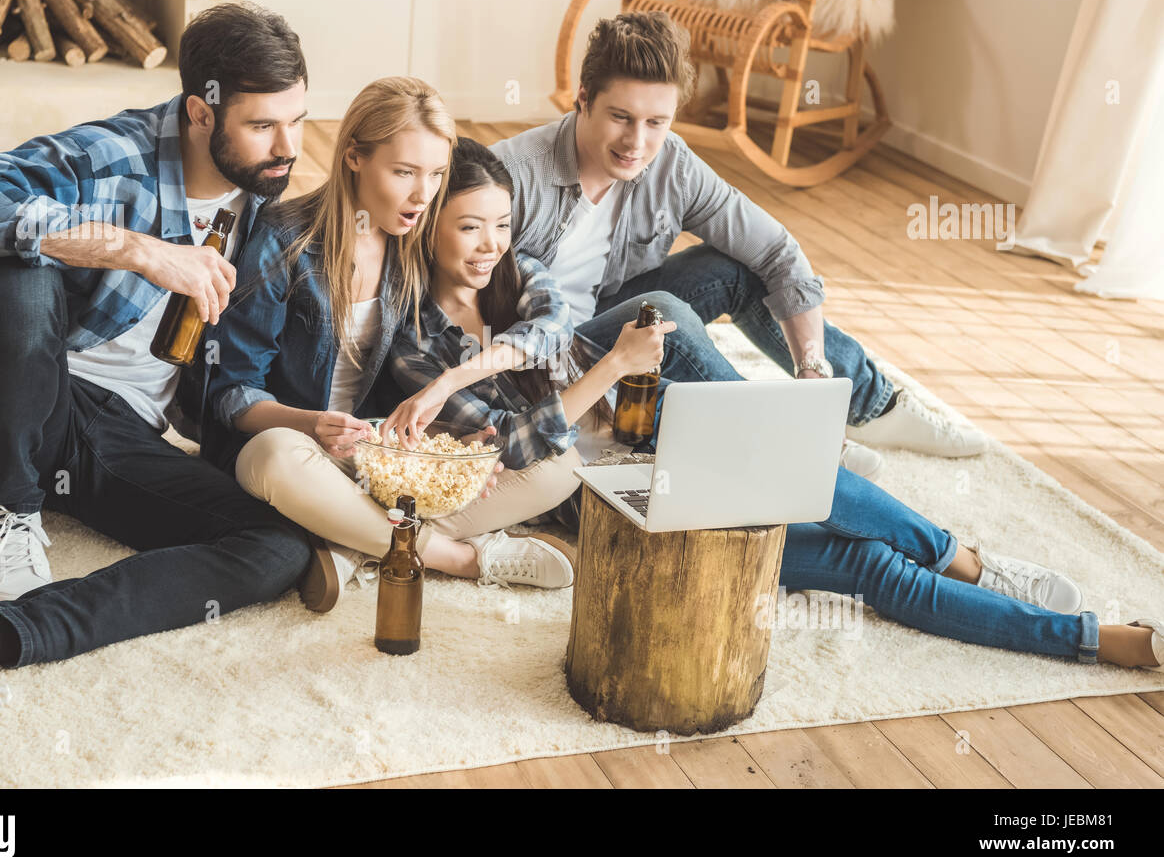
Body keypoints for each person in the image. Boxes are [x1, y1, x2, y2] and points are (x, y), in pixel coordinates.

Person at [387, 137, 1164, 673]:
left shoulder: (523, 279)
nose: (491, 244)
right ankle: (1088, 639)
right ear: (428, 232)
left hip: (651, 430)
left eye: (501, 223)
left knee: (810, 477)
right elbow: (519, 449)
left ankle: (976, 562)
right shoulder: (415, 344)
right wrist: (598, 368)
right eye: (469, 227)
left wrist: (475, 376)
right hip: (613, 509)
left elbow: (557, 324)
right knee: (865, 564)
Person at [0, 3, 320, 742]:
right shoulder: (115, 154)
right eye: (264, 126)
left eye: (299, 120)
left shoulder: (268, 211)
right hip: (15, 398)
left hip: (112, 437)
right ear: (200, 113)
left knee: (278, 547)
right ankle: (9, 507)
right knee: (21, 272)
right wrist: (131, 247)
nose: (288, 147)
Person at [488, 10, 989, 482]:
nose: (636, 142)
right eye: (621, 117)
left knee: (736, 268)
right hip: (546, 359)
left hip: (603, 315)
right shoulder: (513, 175)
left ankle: (870, 406)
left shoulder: (671, 167)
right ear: (583, 98)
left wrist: (811, 368)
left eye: (656, 122)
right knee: (662, 312)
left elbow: (776, 252)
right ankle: (785, 443)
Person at [203, 77, 579, 614]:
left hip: (374, 457)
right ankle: (457, 556)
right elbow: (229, 394)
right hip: (297, 446)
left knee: (560, 465)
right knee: (273, 457)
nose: (422, 195)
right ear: (354, 156)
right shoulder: (285, 241)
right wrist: (311, 424)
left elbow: (542, 326)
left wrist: (452, 436)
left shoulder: (415, 246)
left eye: (435, 174)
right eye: (404, 172)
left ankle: (350, 541)